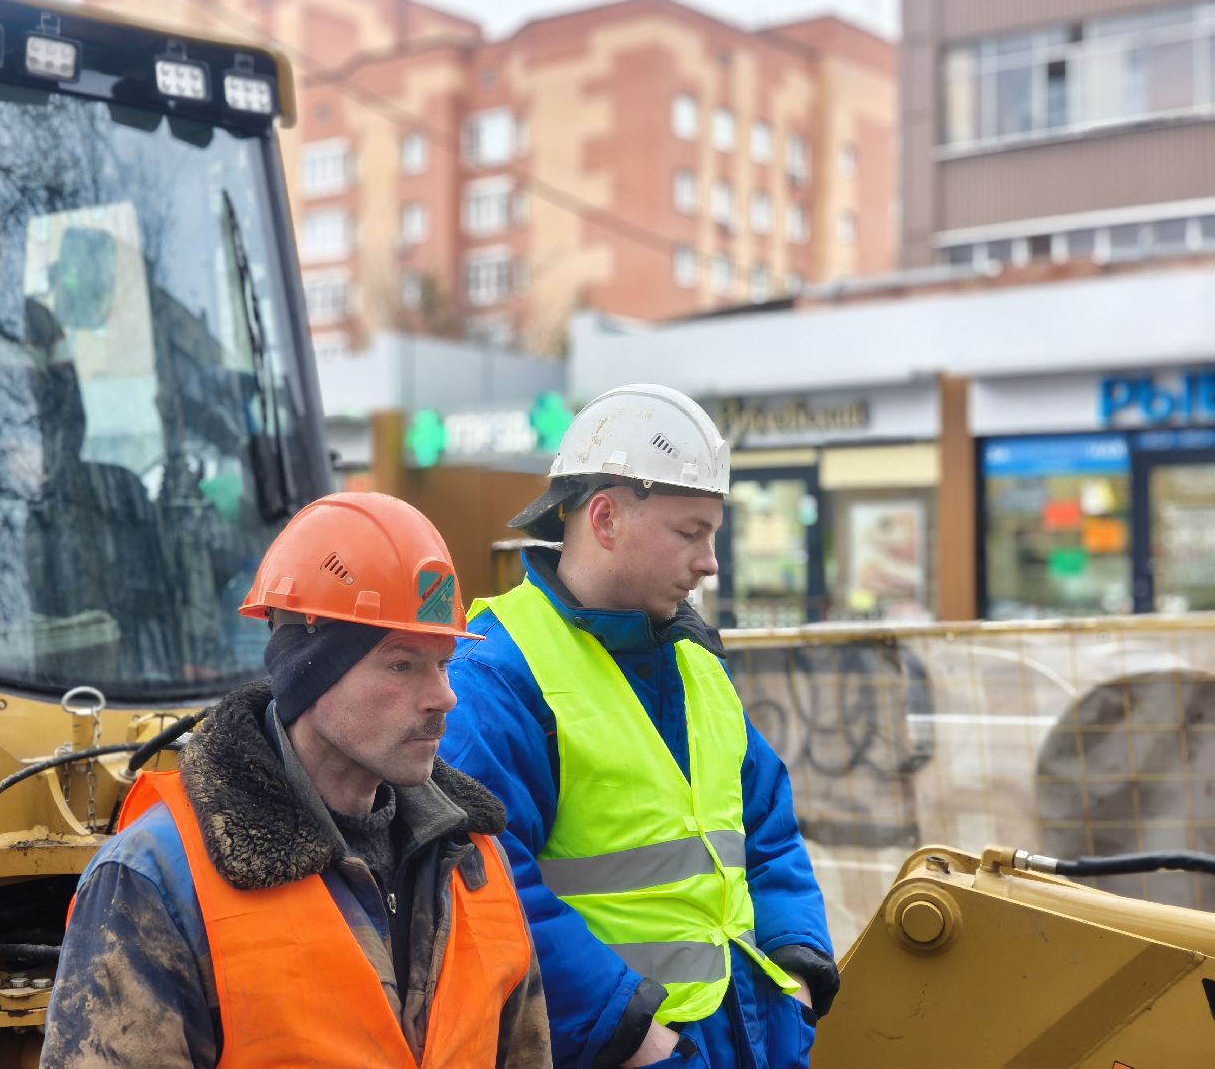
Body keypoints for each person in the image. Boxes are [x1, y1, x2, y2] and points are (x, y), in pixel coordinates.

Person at [43, 491, 551, 1067]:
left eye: (442, 663)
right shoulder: (156, 876)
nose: (444, 697)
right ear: (311, 672)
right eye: (401, 664)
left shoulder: (475, 858)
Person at [441, 385, 838, 1068]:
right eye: (692, 533)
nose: (710, 562)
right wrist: (629, 1035)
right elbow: (489, 884)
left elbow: (766, 831)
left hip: (747, 1034)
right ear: (604, 519)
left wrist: (797, 968)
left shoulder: (693, 659)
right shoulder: (500, 672)